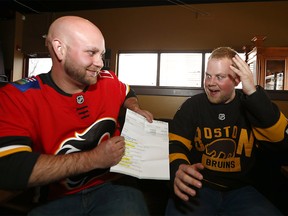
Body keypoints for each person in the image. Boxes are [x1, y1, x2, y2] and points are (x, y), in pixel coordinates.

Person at [0, 16, 154, 215]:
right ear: (59, 49)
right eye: (91, 52)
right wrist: (94, 159)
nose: (100, 63)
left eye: (102, 54)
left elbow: (127, 93)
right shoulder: (17, 97)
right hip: (55, 199)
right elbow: (9, 168)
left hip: (112, 187)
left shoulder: (107, 79)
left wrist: (134, 107)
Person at [165, 47, 288, 216]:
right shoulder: (192, 106)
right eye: (208, 75)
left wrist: (253, 93)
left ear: (237, 80)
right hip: (200, 187)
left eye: (219, 77)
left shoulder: (253, 106)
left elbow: (282, 141)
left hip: (242, 191)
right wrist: (178, 168)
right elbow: (175, 143)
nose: (210, 82)